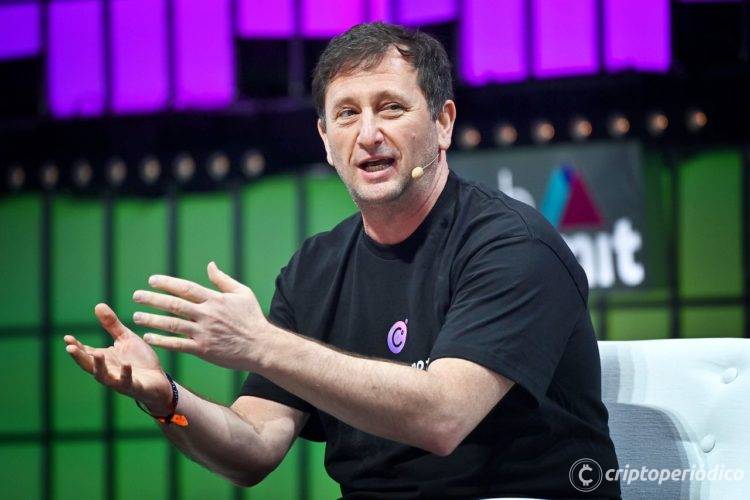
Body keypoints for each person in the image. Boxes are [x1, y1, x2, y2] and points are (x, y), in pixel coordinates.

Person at [65, 22, 621, 499]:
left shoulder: (512, 243)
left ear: (444, 123)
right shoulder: (315, 267)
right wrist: (169, 402)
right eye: (347, 114)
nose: (369, 134)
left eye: (391, 108)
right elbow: (254, 448)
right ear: (326, 139)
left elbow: (444, 416)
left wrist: (260, 343)